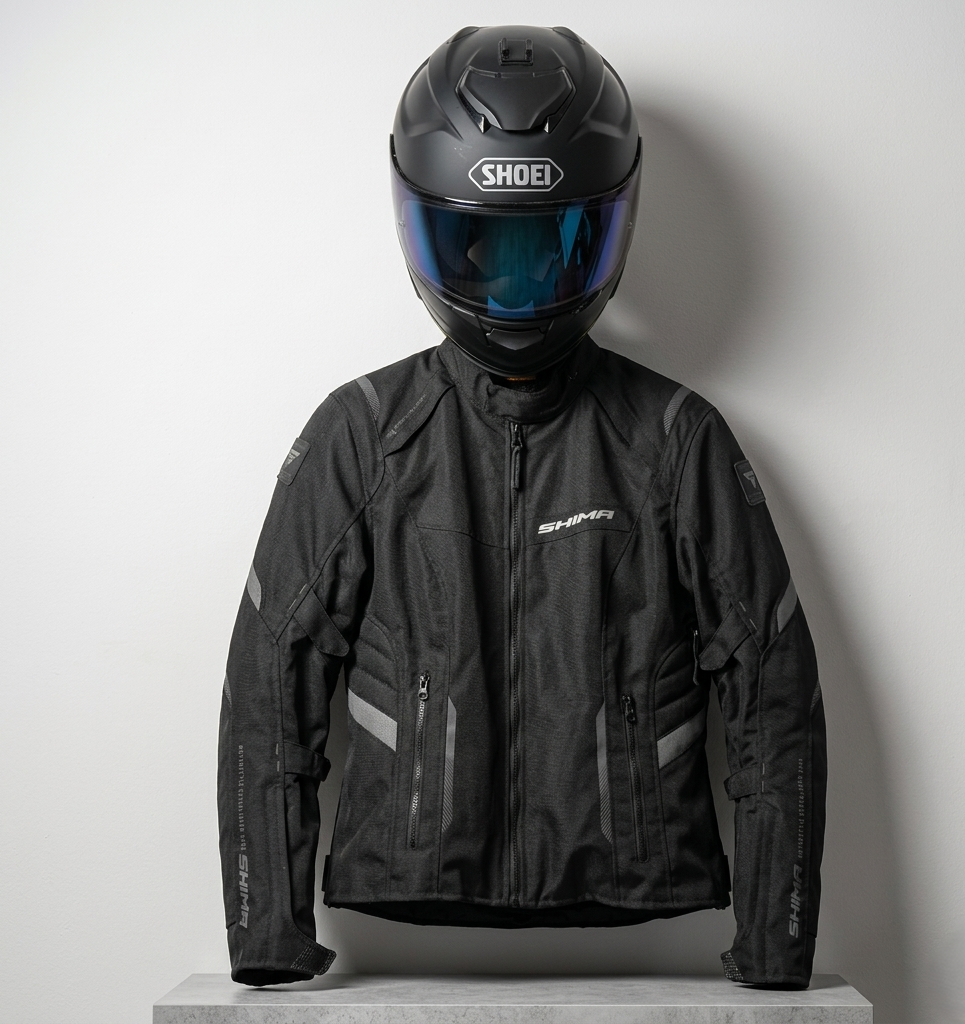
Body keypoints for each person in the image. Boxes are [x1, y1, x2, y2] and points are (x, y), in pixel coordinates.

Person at [217, 24, 826, 989]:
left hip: (636, 876)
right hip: (407, 872)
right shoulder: (365, 433)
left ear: (609, 224)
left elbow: (773, 681)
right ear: (426, 225)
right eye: (484, 245)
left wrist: (776, 946)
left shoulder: (674, 438)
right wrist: (267, 940)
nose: (514, 280)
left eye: (547, 245)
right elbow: (269, 680)